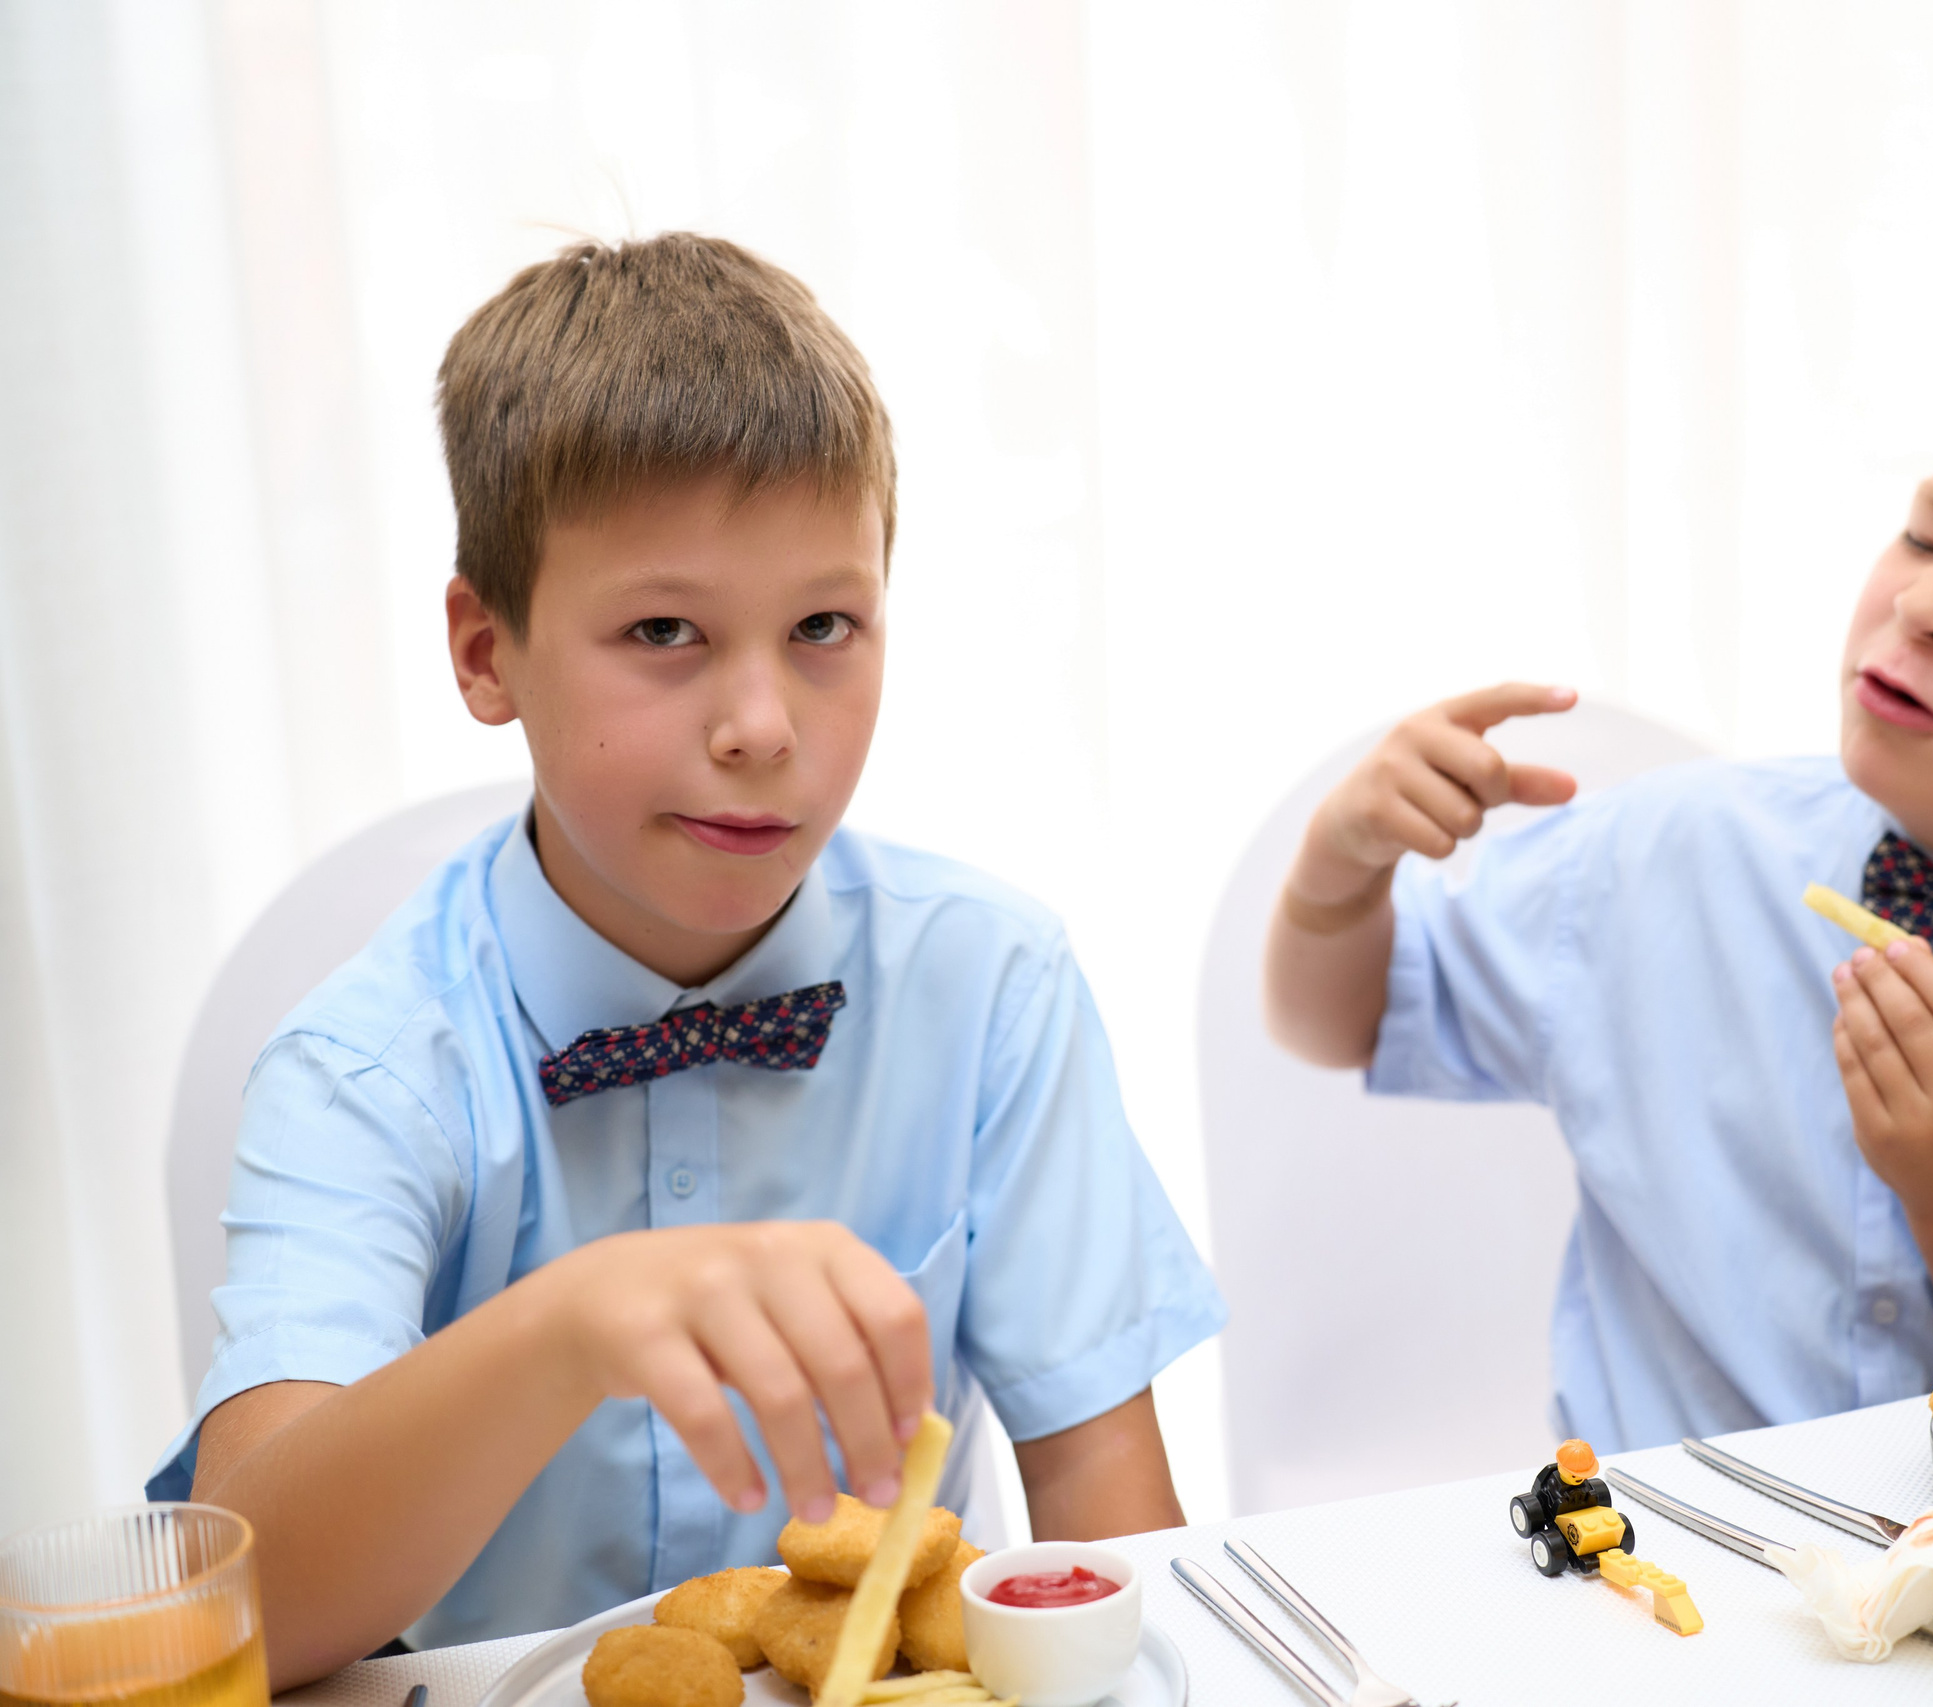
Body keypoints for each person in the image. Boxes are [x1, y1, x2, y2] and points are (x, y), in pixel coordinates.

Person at [147, 234, 1225, 1684]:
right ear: (485, 651)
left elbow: (1113, 1525)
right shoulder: (367, 1068)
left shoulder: (991, 988)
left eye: (824, 625)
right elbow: (247, 1604)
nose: (762, 725)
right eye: (665, 630)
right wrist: (569, 1324)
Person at [1264, 333, 1933, 1454]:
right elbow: (1344, 1019)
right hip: (1645, 1547)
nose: (1927, 603)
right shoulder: (1664, 854)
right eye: (1926, 535)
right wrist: (1340, 873)